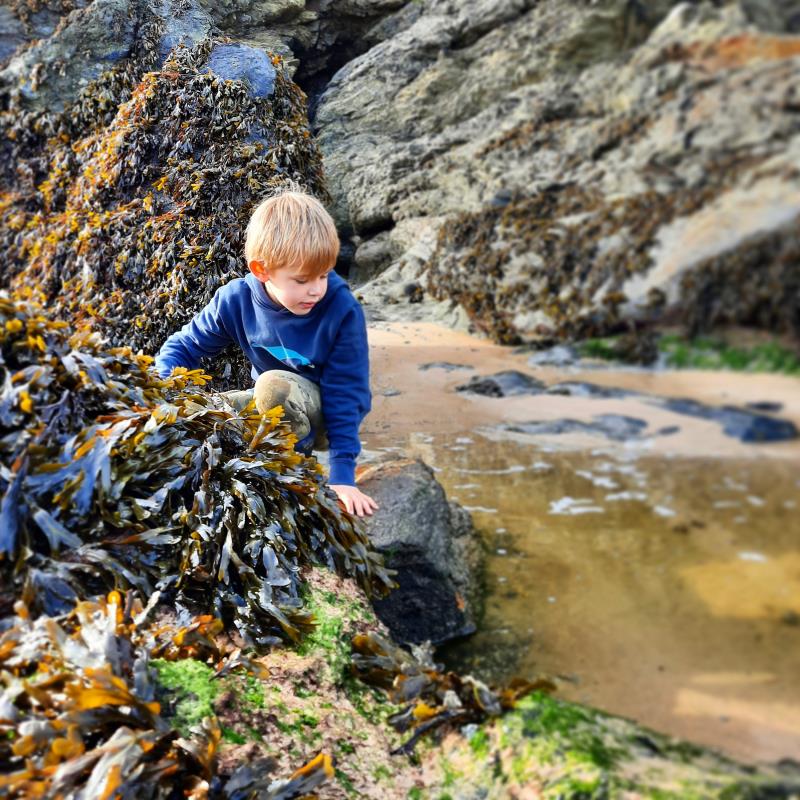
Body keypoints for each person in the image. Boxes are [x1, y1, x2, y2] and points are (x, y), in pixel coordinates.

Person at [155, 189, 378, 517]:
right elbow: (183, 348)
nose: (316, 289)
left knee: (273, 386)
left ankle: (297, 472)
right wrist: (160, 395)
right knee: (210, 411)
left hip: (326, 415)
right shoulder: (236, 300)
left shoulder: (341, 309)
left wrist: (343, 475)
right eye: (302, 280)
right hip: (272, 407)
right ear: (262, 270)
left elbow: (347, 393)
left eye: (323, 275)